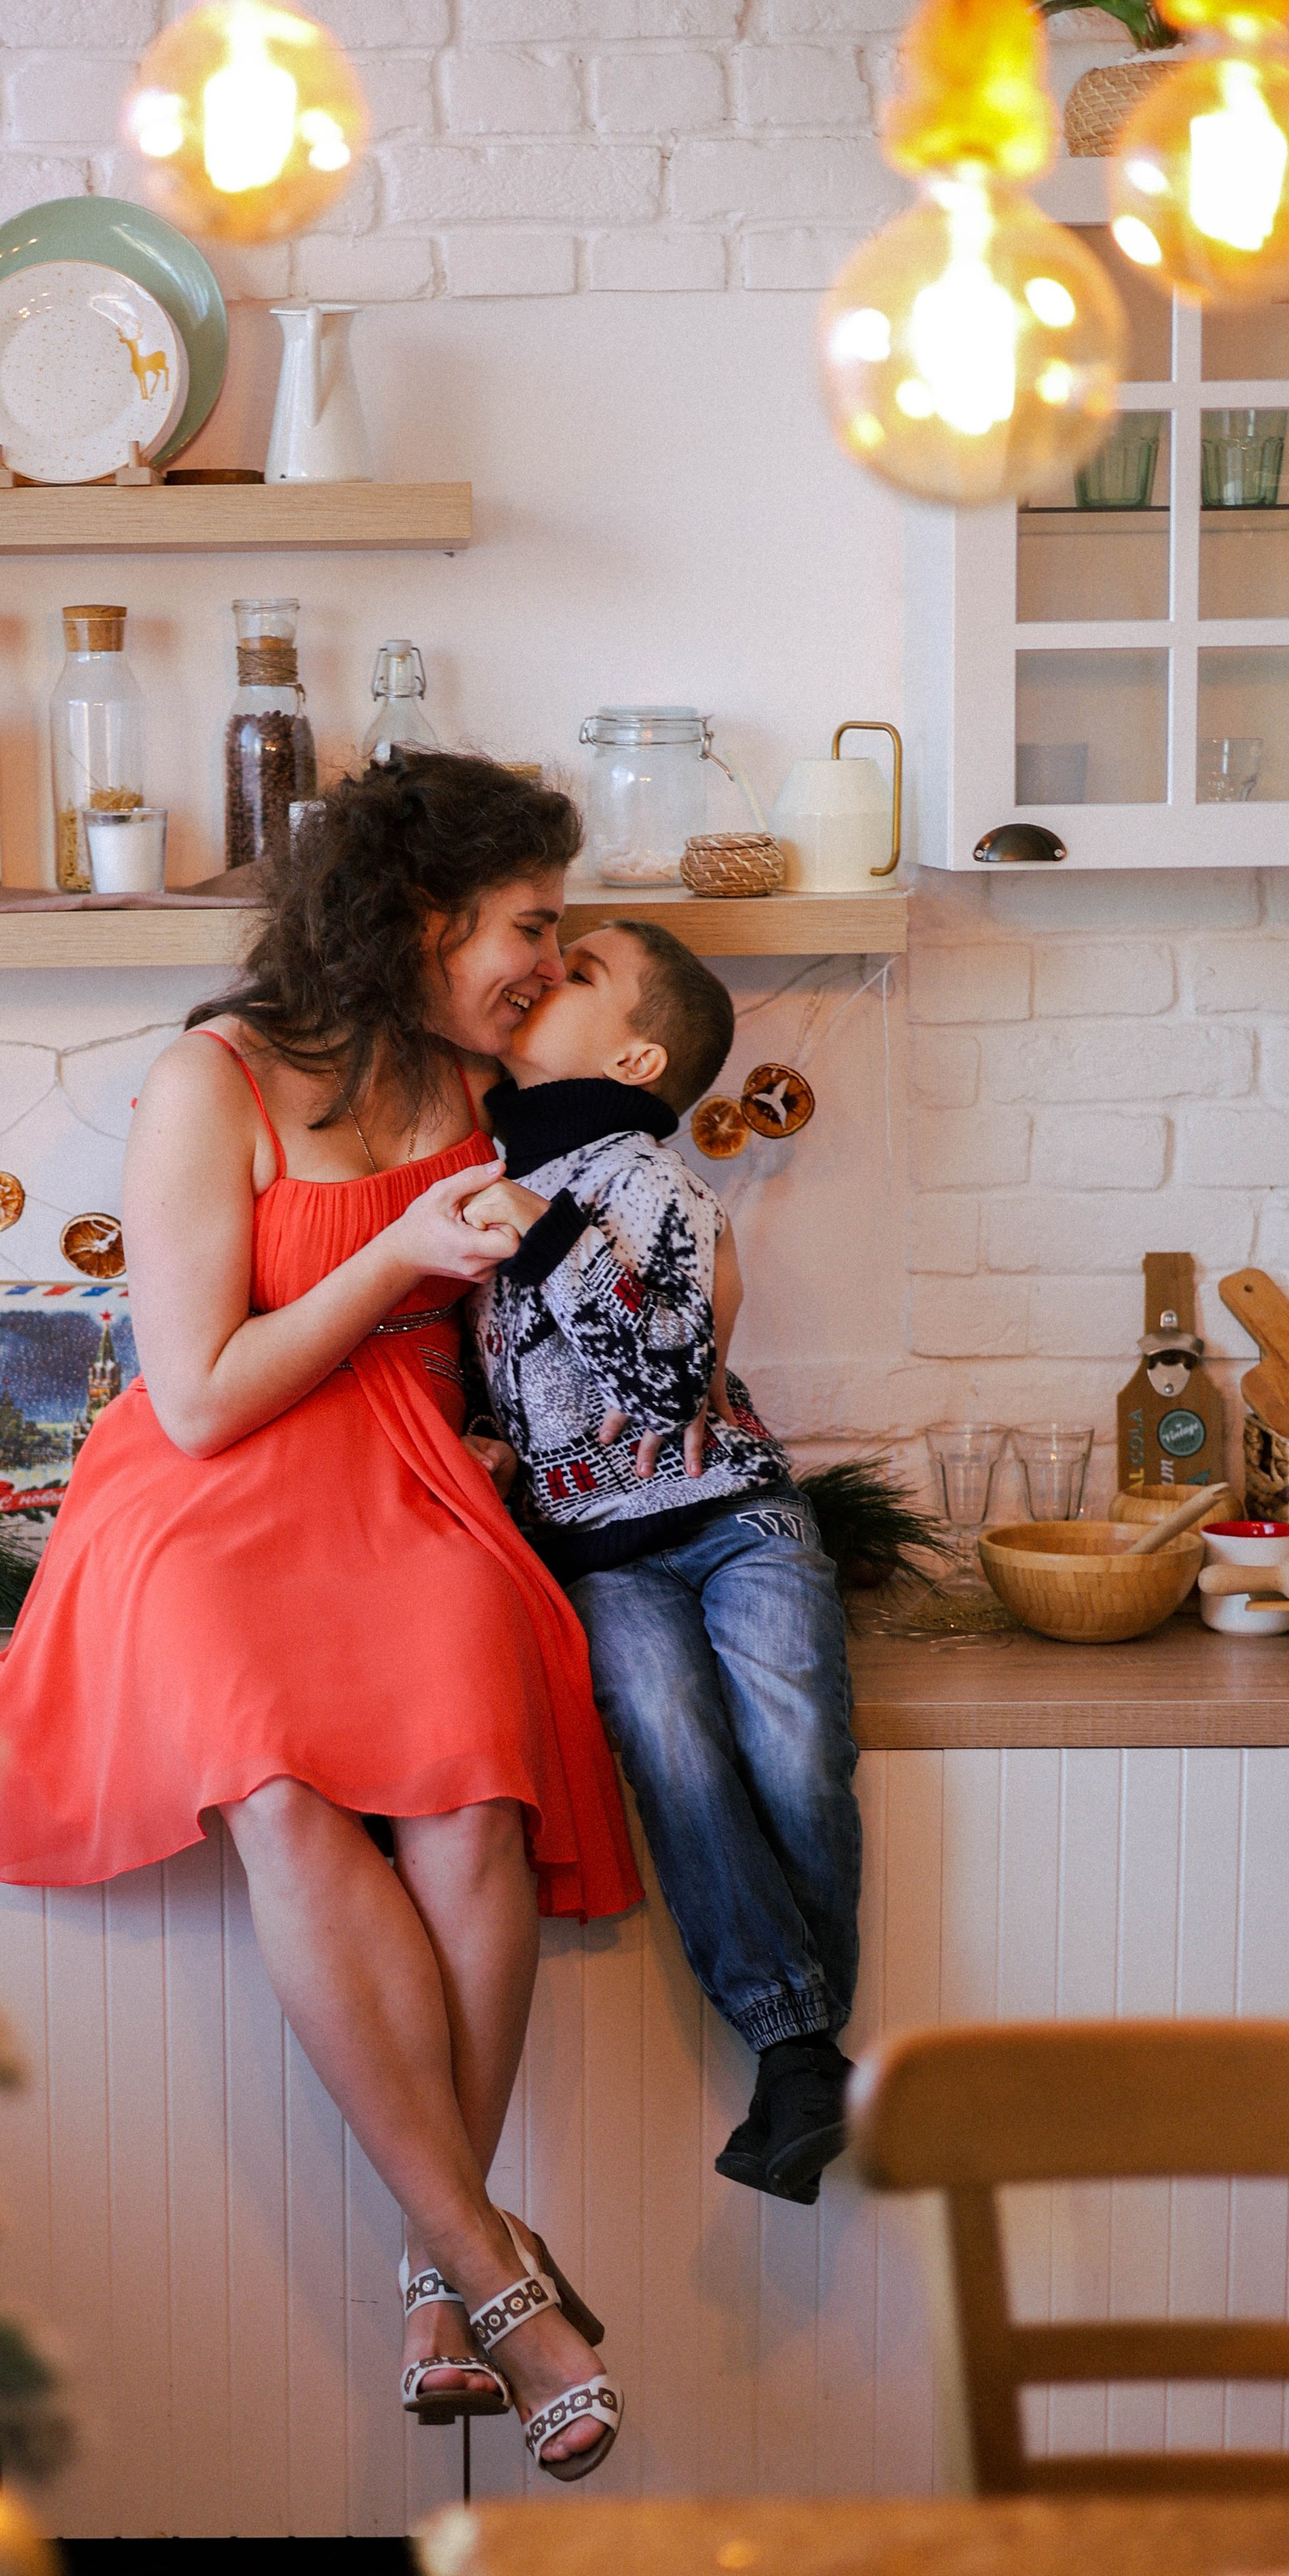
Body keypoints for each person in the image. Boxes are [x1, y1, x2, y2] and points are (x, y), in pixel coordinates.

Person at [0, 756, 642, 2481]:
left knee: (473, 1791)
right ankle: (490, 2266)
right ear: (419, 916)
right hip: (210, 1491)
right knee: (272, 1776)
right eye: (525, 924)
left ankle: (428, 2270)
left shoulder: (486, 1076)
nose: (544, 958)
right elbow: (200, 1395)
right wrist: (398, 1255)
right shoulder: (215, 1080)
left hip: (405, 1470)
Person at [463, 918, 862, 2204]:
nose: (544, 972)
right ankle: (805, 2056)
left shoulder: (651, 1182)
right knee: (668, 1737)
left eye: (579, 972)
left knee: (797, 1745)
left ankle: (796, 2049)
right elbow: (515, 1370)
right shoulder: (480, 1171)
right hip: (599, 1556)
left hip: (734, 1518)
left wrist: (539, 1231)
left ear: (638, 1058)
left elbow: (668, 1371)